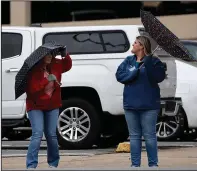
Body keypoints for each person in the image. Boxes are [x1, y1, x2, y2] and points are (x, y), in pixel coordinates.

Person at [115, 36, 166, 167]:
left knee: (149, 137)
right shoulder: (129, 60)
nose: (133, 44)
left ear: (142, 46)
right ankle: (135, 165)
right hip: (130, 105)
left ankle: (153, 164)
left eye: (136, 43)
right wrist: (135, 70)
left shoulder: (154, 61)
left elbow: (158, 77)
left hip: (149, 105)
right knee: (134, 137)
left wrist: (148, 63)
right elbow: (120, 76)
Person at [25, 47, 72, 169]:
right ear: (41, 56)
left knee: (51, 134)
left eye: (51, 54)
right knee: (37, 133)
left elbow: (67, 65)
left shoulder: (56, 64)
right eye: (47, 54)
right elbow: (32, 90)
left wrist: (65, 55)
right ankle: (31, 165)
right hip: (35, 105)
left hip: (52, 105)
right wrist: (47, 80)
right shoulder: (34, 69)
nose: (50, 56)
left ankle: (53, 163)